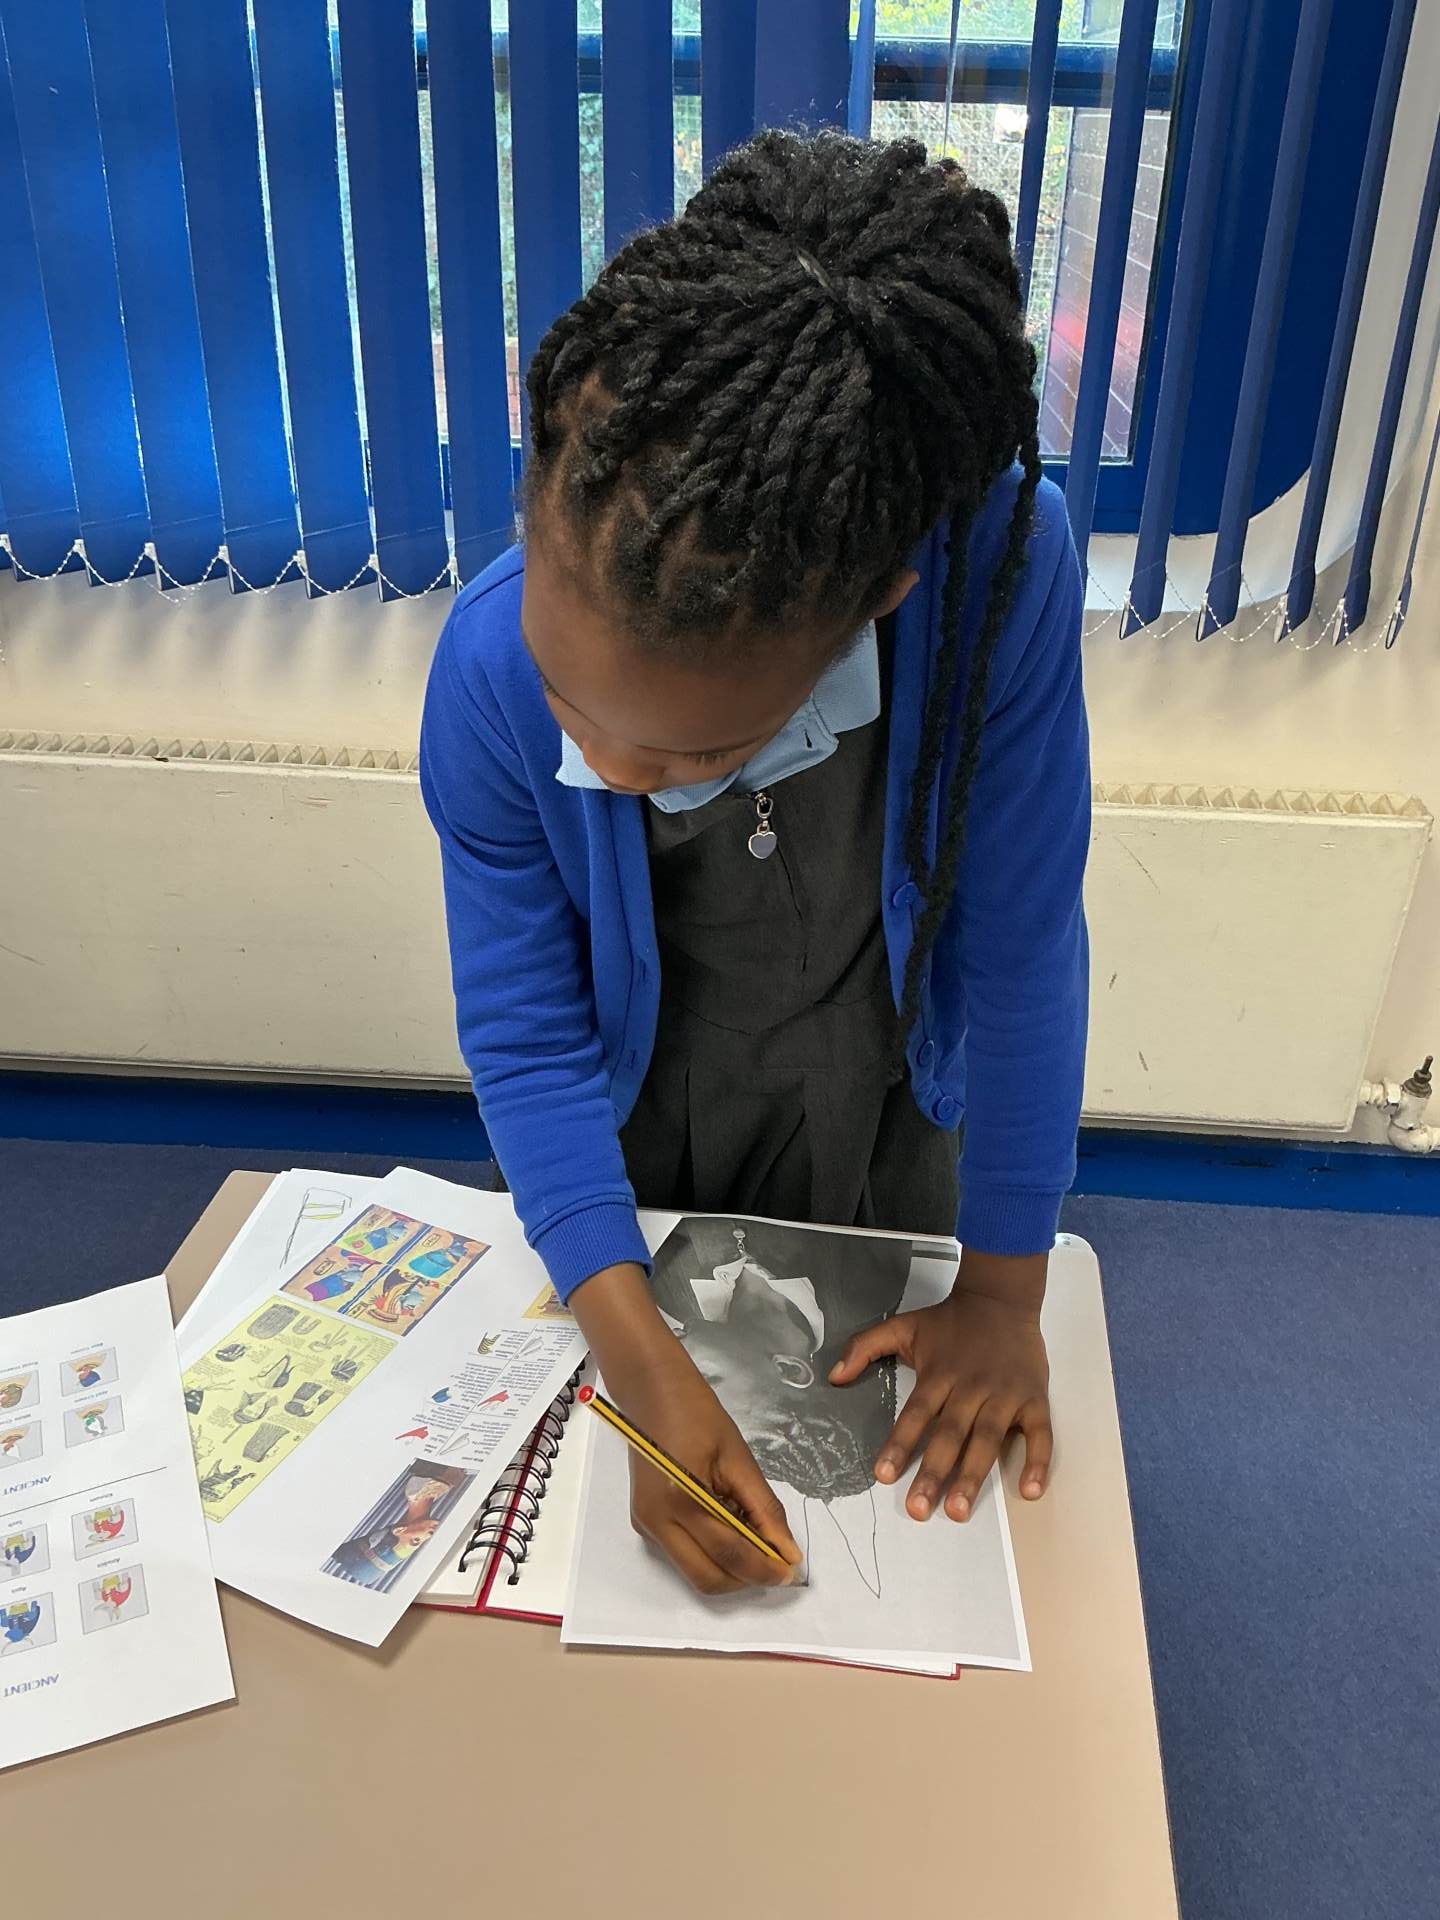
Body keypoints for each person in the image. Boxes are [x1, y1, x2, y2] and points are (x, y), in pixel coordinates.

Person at [421, 131, 1088, 1597]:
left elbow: (1023, 952)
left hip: (885, 1086)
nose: (606, 766)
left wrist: (1002, 1289)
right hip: (652, 1102)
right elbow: (527, 1035)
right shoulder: (480, 677)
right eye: (569, 703)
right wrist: (635, 1347)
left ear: (873, 604)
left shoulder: (995, 583)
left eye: (693, 755)